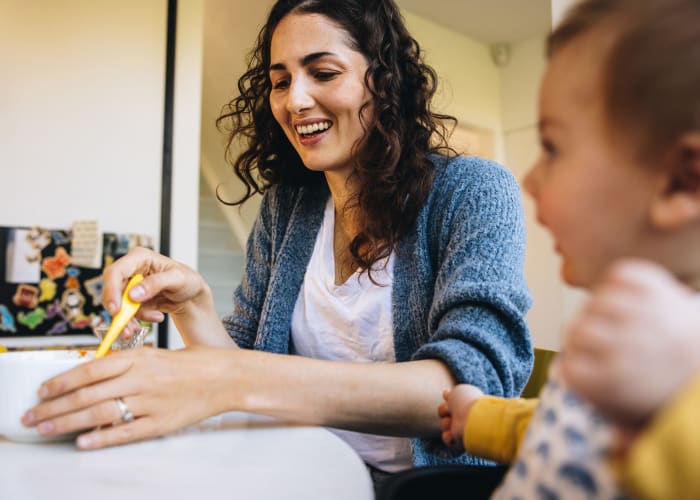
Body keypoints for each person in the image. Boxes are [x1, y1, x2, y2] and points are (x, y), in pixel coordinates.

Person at [22, 0, 532, 482]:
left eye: (324, 73)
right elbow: (240, 364)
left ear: (384, 79)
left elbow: (470, 387)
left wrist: (227, 378)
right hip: (296, 474)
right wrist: (194, 304)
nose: (296, 100)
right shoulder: (288, 208)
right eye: (280, 81)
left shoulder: (473, 191)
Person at [438, 0, 700, 498]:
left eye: (553, 148)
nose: (530, 180)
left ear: (680, 182)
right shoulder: (614, 326)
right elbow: (566, 428)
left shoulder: (684, 365)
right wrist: (480, 417)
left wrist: (680, 393)